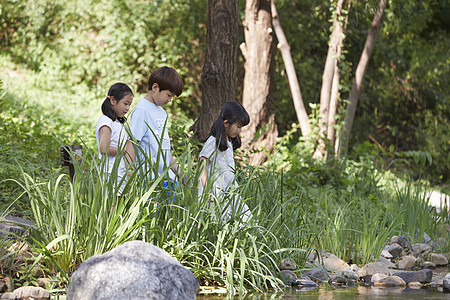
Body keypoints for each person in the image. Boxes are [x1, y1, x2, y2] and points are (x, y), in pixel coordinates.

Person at [129, 66, 184, 187]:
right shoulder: (142, 111)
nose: (170, 100)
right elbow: (131, 145)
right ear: (155, 87)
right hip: (150, 181)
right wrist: (131, 176)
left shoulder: (162, 113)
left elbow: (165, 150)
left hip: (167, 179)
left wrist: (182, 174)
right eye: (168, 95)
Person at [199, 101, 252, 224]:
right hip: (216, 193)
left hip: (228, 191)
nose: (239, 131)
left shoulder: (228, 142)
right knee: (224, 224)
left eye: (241, 127)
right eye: (238, 127)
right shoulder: (213, 141)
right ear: (226, 123)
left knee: (247, 220)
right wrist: (207, 191)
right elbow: (202, 166)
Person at [95, 82, 135, 194]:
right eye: (125, 103)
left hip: (121, 173)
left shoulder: (118, 123)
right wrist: (125, 150)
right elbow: (104, 148)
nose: (127, 108)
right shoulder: (106, 121)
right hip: (111, 173)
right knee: (113, 207)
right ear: (112, 101)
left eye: (129, 105)